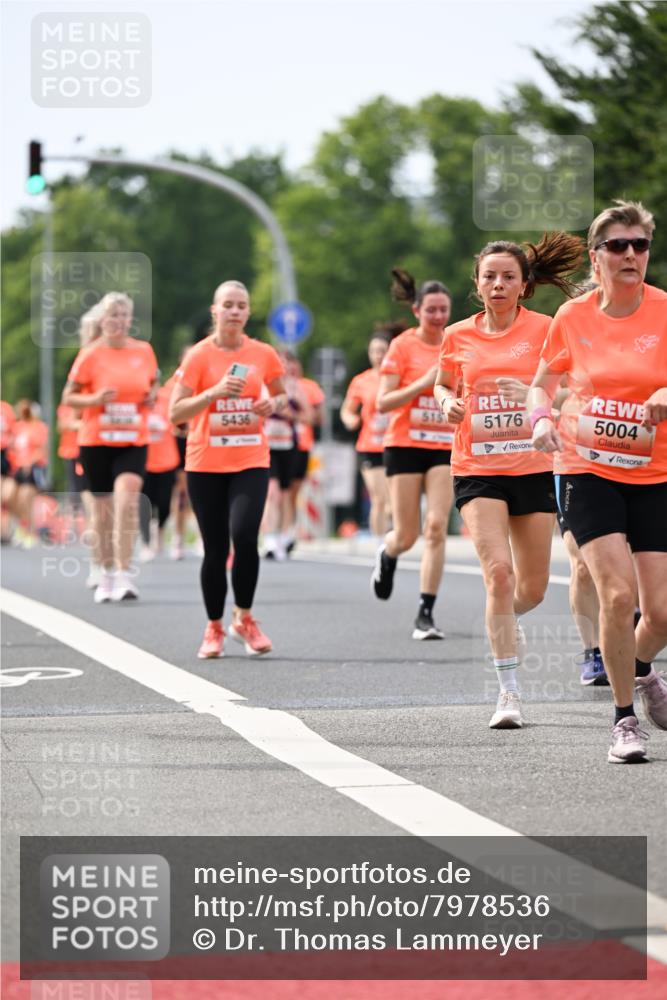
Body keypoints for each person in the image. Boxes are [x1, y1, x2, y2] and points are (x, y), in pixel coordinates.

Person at [528, 200, 667, 763]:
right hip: (586, 467)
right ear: (597, 256)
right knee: (617, 594)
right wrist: (540, 421)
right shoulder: (573, 317)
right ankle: (623, 719)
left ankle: (639, 669)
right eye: (618, 246)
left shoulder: (664, 310)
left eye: (640, 245)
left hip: (655, 470)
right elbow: (541, 384)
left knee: (660, 614)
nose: (631, 254)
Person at [434, 232, 584, 728]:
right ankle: (509, 693)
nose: (498, 284)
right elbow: (442, 382)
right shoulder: (458, 335)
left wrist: (533, 395)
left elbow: (572, 395)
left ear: (524, 285)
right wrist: (446, 402)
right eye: (490, 276)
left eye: (508, 277)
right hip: (477, 468)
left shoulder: (548, 330)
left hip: (536, 465)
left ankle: (505, 620)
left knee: (533, 587)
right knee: (498, 573)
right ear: (477, 284)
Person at [169, 279, 288, 659]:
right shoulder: (199, 356)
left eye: (241, 305)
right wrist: (214, 393)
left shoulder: (264, 353)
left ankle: (245, 618)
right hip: (205, 462)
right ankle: (214, 627)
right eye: (228, 305)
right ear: (215, 311)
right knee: (216, 548)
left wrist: (274, 404)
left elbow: (282, 392)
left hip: (250, 458)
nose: (235, 311)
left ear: (248, 312)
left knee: (245, 534)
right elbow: (175, 413)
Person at [371, 269, 454, 641]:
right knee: (406, 535)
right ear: (417, 310)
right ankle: (387, 554)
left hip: (443, 446)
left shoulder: (457, 343)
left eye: (444, 310)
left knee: (436, 526)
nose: (438, 317)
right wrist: (424, 384)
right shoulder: (403, 346)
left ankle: (425, 612)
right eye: (431, 310)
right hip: (404, 444)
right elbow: (383, 402)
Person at [62, 292, 158, 603]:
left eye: (123, 315)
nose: (118, 321)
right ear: (102, 320)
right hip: (96, 441)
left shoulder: (144, 351)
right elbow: (69, 397)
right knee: (102, 513)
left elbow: (152, 383)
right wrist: (95, 400)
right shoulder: (91, 354)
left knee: (127, 501)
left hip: (132, 438)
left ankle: (125, 573)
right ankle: (104, 574)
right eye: (112, 315)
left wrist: (151, 396)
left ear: (131, 319)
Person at [341, 333, 391, 538]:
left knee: (394, 503)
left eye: (382, 351)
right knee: (379, 498)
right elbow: (347, 409)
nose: (378, 355)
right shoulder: (361, 381)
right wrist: (350, 419)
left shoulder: (401, 377)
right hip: (370, 446)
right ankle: (380, 545)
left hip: (397, 444)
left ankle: (394, 540)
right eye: (374, 351)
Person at [262, 351, 311, 561]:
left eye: (284, 364)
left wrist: (289, 414)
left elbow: (308, 417)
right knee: (271, 492)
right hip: (266, 445)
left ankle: (283, 535)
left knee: (284, 494)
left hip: (288, 445)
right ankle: (270, 538)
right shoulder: (263, 386)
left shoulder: (294, 387)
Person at [139, 382, 181, 561]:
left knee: (164, 504)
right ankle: (146, 542)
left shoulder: (167, 401)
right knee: (145, 504)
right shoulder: (138, 404)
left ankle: (160, 532)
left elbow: (178, 422)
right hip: (144, 462)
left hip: (167, 461)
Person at [288, 357, 325, 554]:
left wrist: (298, 413)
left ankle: (290, 530)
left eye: (295, 366)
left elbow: (319, 418)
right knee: (276, 492)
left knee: (294, 492)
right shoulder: (276, 385)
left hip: (303, 445)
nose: (292, 369)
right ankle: (276, 533)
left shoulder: (309, 387)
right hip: (277, 446)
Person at [8, 399, 49, 547]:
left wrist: (30, 462)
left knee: (26, 499)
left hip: (33, 468)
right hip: (17, 467)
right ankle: (21, 525)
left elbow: (42, 449)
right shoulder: (18, 427)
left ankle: (31, 532)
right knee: (9, 496)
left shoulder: (39, 427)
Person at [1, 399, 17, 543]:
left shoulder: (6, 408)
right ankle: (4, 531)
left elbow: (14, 431)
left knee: (6, 496)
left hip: (5, 456)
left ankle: (6, 530)